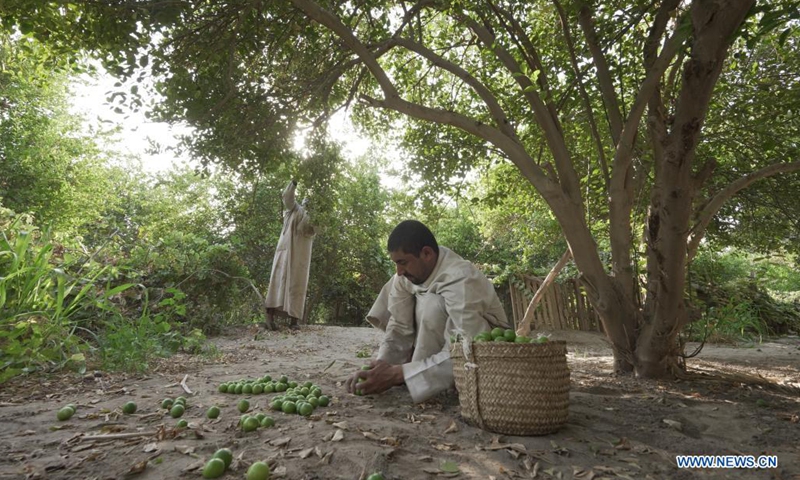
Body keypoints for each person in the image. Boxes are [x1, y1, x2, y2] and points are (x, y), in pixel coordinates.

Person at [345, 220, 510, 403]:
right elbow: (399, 326)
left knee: (432, 304)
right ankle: (414, 371)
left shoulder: (461, 279)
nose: (399, 271)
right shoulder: (405, 275)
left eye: (403, 262)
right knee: (394, 286)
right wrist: (382, 364)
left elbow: (465, 349)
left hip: (482, 346)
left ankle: (424, 378)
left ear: (427, 253)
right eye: (396, 263)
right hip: (438, 348)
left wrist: (398, 375)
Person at [264, 180, 316, 330]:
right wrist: (294, 182)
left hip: (300, 259)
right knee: (277, 283)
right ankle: (270, 318)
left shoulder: (314, 219)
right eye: (307, 201)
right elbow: (287, 197)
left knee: (297, 286)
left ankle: (294, 321)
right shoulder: (293, 209)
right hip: (284, 254)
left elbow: (317, 229)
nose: (308, 203)